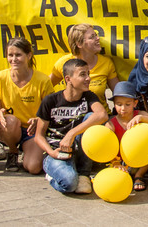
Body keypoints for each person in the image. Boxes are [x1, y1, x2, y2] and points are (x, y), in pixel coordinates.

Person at [36, 58, 108, 194]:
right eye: (82, 74)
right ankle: (52, 175)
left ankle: (84, 173)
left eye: (88, 74)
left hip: (78, 150)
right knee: (69, 184)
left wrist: (71, 134)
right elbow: (38, 136)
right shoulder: (50, 100)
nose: (88, 78)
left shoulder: (89, 96)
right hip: (57, 153)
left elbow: (102, 115)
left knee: (91, 117)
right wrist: (51, 152)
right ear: (68, 79)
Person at [0, 37, 54, 173]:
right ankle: (12, 152)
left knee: (34, 168)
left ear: (29, 55)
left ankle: (28, 151)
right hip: (9, 128)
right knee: (11, 121)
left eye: (18, 55)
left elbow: (51, 110)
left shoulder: (43, 80)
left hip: (32, 130)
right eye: (10, 55)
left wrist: (38, 120)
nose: (14, 59)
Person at [106, 81, 148, 191]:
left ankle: (139, 175)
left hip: (140, 160)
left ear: (135, 103)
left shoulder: (140, 114)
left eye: (127, 104)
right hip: (120, 161)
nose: (123, 108)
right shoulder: (111, 124)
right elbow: (107, 146)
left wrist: (142, 118)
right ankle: (123, 176)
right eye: (119, 104)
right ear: (114, 104)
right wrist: (115, 162)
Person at [49, 24, 118, 105]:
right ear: (79, 44)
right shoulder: (64, 63)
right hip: (73, 112)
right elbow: (45, 87)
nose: (98, 38)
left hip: (100, 112)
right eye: (92, 37)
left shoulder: (106, 62)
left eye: (96, 35)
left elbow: (118, 93)